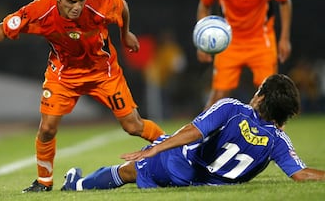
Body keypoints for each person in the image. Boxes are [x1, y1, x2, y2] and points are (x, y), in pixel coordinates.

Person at [0, 0, 165, 192]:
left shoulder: (98, 6)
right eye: (71, 1)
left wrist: (125, 34)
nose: (77, 7)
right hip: (63, 76)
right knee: (47, 128)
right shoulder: (40, 11)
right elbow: (8, 25)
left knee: (133, 126)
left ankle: (176, 148)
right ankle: (44, 182)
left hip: (103, 73)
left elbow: (122, 7)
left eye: (81, 0)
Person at [60, 74, 325, 191]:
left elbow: (194, 131)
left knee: (131, 169)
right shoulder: (278, 141)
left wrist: (157, 147)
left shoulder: (232, 108)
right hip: (213, 184)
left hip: (180, 167)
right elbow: (301, 174)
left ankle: (77, 185)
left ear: (260, 96)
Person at [196, 0, 292, 109]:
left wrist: (285, 38)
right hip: (229, 42)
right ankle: (205, 133)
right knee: (218, 96)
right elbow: (204, 6)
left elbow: (284, 0)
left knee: (270, 95)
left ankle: (273, 133)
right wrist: (203, 42)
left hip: (261, 40)